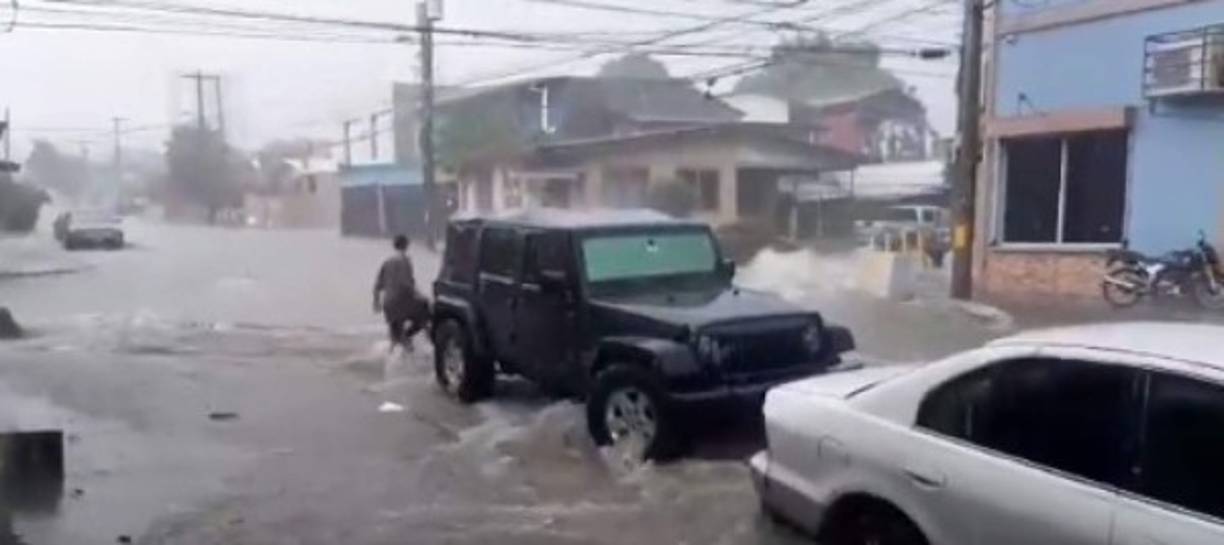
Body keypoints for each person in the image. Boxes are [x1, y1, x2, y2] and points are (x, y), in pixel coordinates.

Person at [373, 235, 428, 351]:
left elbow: (377, 286)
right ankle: (407, 339)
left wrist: (376, 303)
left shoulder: (387, 261)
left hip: (388, 304)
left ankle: (391, 358)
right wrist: (421, 296)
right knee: (425, 314)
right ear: (406, 245)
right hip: (402, 301)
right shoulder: (405, 260)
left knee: (394, 336)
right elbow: (406, 284)